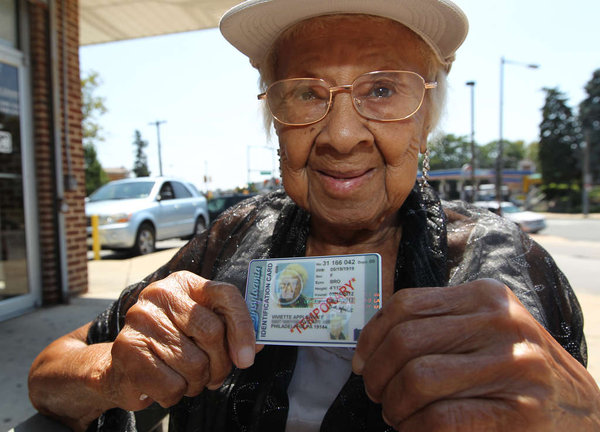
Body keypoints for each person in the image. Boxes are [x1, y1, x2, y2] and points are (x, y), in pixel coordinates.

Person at [29, 0, 600, 431]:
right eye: (305, 93)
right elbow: (50, 374)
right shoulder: (230, 240)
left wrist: (581, 414)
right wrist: (113, 373)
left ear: (425, 122)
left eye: (381, 89)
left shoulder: (506, 264)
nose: (343, 134)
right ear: (275, 122)